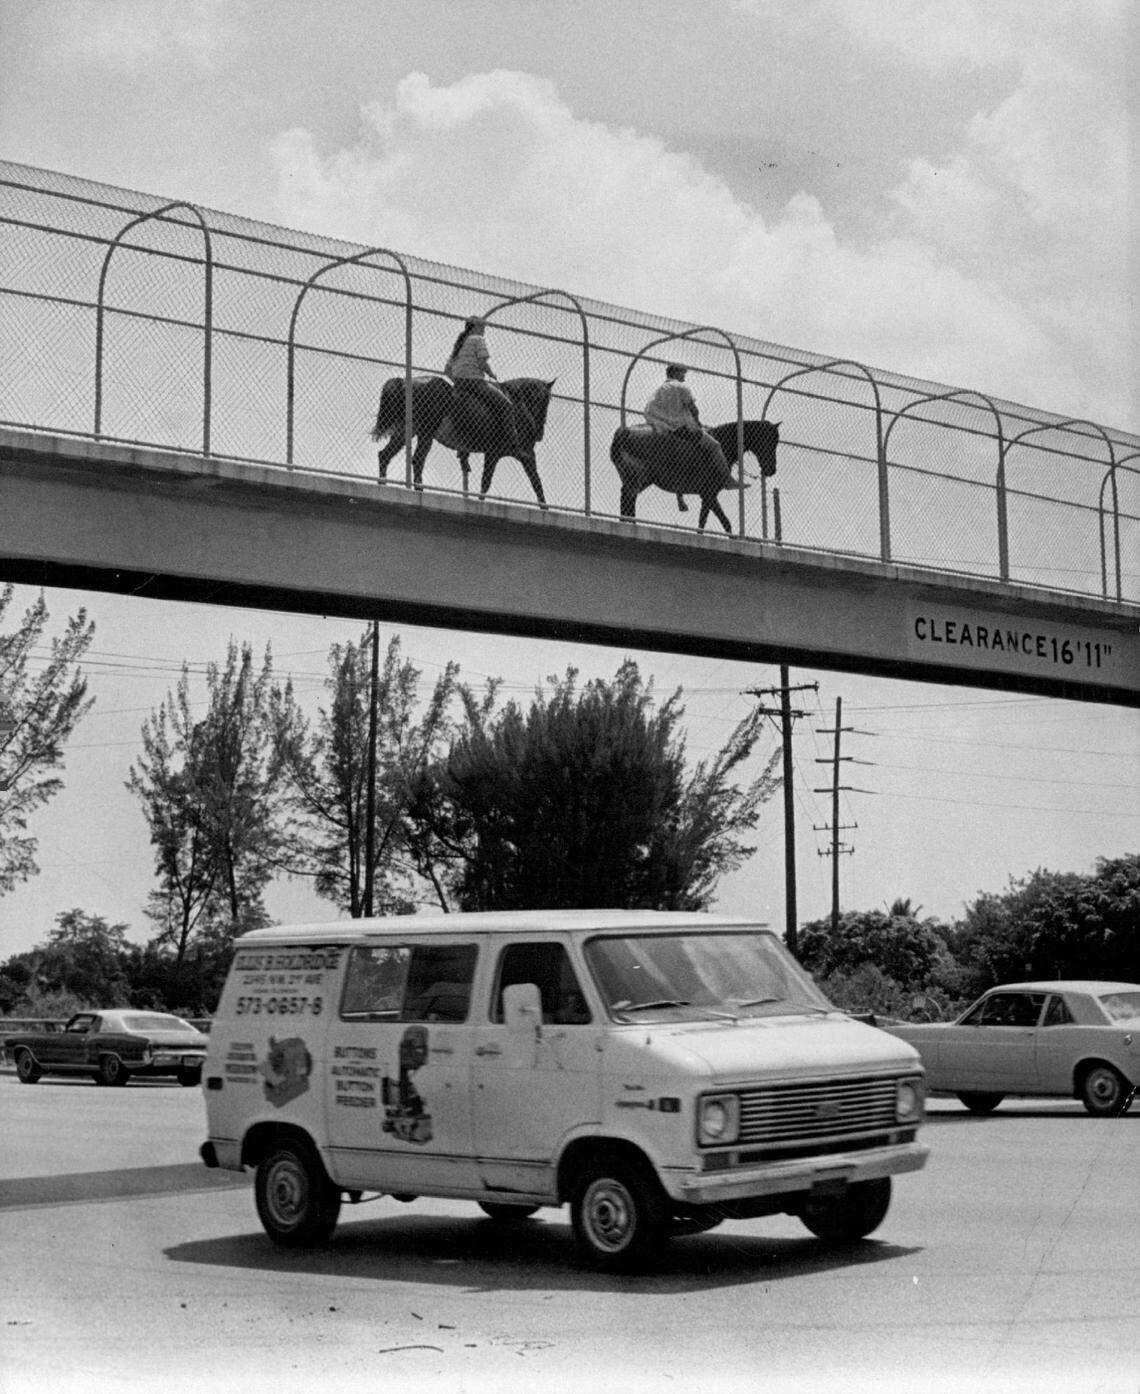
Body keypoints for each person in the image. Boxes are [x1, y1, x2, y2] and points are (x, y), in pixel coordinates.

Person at [643, 364, 731, 509]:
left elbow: (648, 409)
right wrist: (698, 425)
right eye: (683, 373)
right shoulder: (681, 388)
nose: (684, 376)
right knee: (715, 446)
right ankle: (727, 479)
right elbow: (693, 410)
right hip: (681, 428)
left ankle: (680, 498)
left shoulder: (659, 390)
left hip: (661, 428)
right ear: (676, 373)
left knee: (678, 459)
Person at [444, 316, 520, 452]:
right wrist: (492, 374)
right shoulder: (478, 340)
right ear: (475, 327)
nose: (484, 330)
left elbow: (446, 370)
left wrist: (458, 380)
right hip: (475, 382)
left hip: (459, 384)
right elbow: (482, 363)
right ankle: (511, 442)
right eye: (482, 327)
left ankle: (463, 452)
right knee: (506, 405)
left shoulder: (459, 343)